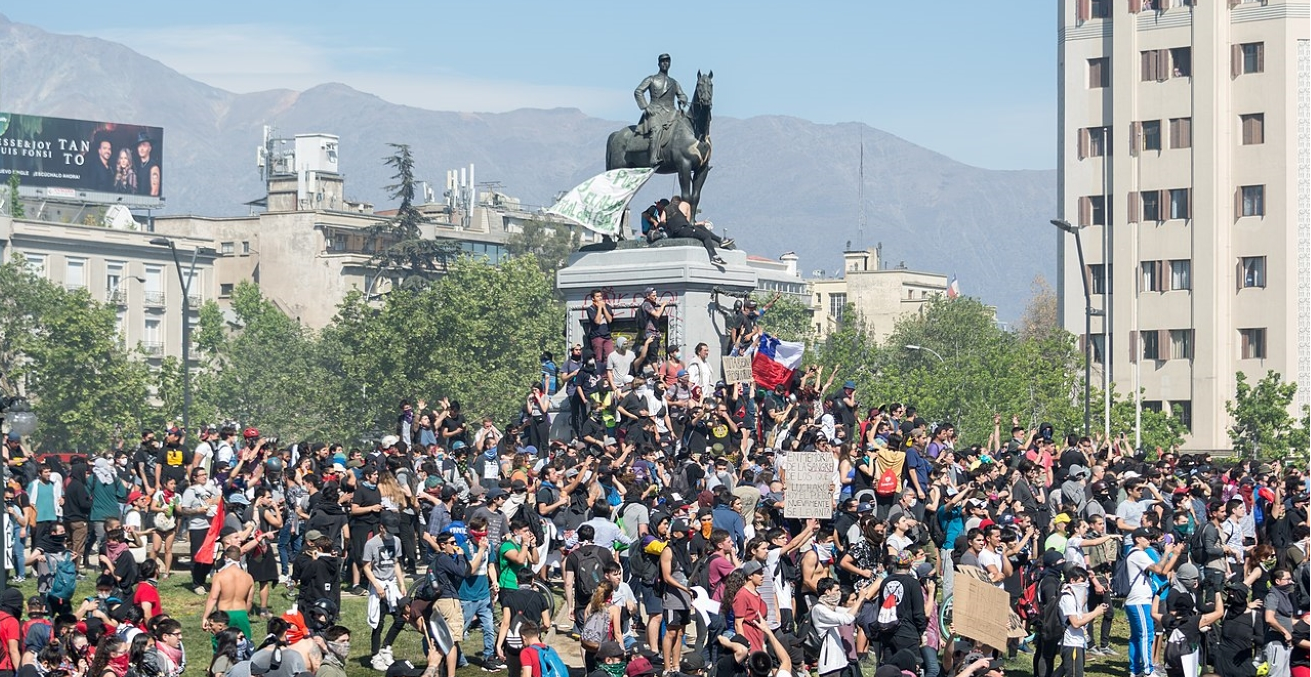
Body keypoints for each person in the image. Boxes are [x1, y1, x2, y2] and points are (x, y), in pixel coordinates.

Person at [365, 512, 407, 670]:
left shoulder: (396, 541)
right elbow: (366, 567)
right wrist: (376, 585)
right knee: (378, 622)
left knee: (401, 616)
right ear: (381, 527)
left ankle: (386, 647)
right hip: (378, 586)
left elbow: (396, 562)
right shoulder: (371, 544)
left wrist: (401, 583)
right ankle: (375, 655)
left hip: (392, 585)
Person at [633, 54, 687, 166]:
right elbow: (638, 91)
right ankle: (653, 157)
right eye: (663, 61)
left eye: (667, 61)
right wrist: (646, 106)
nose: (665, 63)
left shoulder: (674, 82)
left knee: (686, 127)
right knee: (657, 130)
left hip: (671, 113)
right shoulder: (651, 79)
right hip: (655, 111)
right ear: (658, 63)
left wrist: (683, 99)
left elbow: (682, 95)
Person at [203, 546, 255, 643]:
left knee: (221, 646)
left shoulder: (219, 576)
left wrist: (205, 617)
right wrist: (245, 614)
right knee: (245, 644)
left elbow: (213, 598)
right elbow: (249, 601)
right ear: (239, 558)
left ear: (226, 557)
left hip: (224, 614)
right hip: (241, 613)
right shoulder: (248, 577)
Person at [662, 196, 731, 265]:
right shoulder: (683, 206)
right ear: (679, 202)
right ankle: (713, 256)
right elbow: (687, 222)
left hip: (678, 230)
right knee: (706, 236)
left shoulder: (666, 209)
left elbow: (662, 220)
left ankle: (720, 240)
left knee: (701, 227)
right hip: (683, 229)